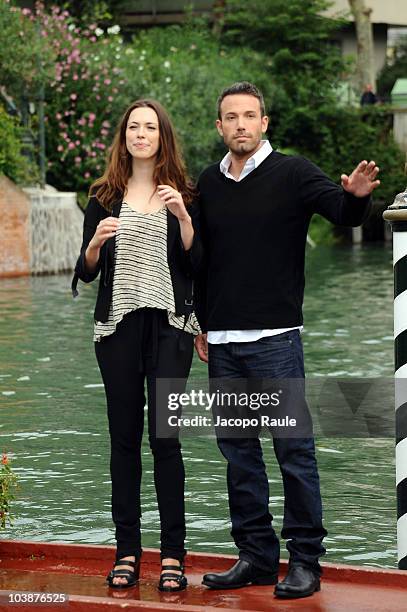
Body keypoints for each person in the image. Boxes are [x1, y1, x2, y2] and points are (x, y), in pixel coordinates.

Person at [193, 82, 379, 599]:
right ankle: (254, 556)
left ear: (264, 122)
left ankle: (304, 561)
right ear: (220, 126)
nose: (240, 125)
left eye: (249, 116)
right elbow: (201, 260)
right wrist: (198, 322)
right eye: (231, 117)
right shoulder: (208, 182)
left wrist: (357, 198)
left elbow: (340, 211)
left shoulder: (294, 172)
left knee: (293, 453)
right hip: (223, 341)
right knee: (239, 456)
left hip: (275, 340)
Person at [71, 99, 201, 591]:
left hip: (171, 326)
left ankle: (172, 555)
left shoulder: (184, 192)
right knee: (123, 441)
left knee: (166, 441)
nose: (141, 134)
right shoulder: (104, 196)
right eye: (133, 127)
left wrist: (184, 220)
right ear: (123, 136)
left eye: (150, 127)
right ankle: (127, 551)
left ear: (162, 135)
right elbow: (84, 271)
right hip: (118, 330)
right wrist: (95, 245)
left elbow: (199, 264)